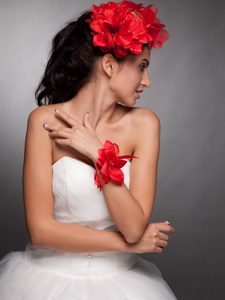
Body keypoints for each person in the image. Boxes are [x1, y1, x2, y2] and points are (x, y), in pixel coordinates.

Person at [0, 1, 177, 299]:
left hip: (123, 282)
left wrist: (98, 152)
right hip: (45, 279)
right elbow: (41, 231)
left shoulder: (145, 125)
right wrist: (125, 245)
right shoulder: (44, 122)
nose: (147, 81)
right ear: (109, 65)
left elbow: (134, 227)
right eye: (142, 67)